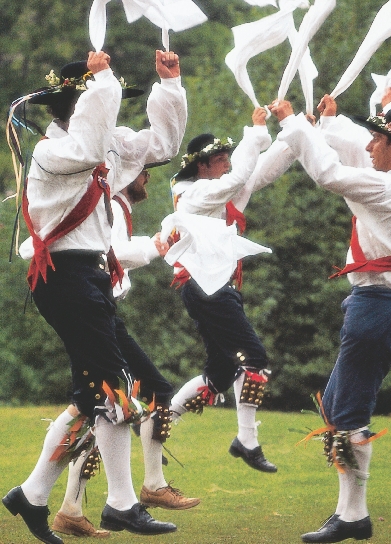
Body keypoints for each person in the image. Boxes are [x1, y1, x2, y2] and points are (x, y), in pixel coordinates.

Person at [2, 48, 187, 544]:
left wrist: (168, 87)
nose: (114, 112)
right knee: (114, 388)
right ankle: (123, 504)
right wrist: (102, 81)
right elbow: (88, 148)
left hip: (85, 279)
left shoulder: (102, 144)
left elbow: (164, 144)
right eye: (104, 100)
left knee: (94, 396)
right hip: (63, 277)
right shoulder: (54, 150)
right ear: (80, 105)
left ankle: (33, 495)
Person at [268, 98, 391, 543]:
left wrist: (290, 122)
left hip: (377, 307)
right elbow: (353, 156)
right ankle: (347, 512)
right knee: (337, 404)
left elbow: (331, 174)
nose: (369, 145)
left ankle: (354, 516)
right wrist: (325, 121)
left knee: (349, 413)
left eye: (378, 139)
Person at [49, 166, 199, 539]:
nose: (147, 176)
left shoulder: (115, 204)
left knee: (98, 406)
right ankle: (146, 488)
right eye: (143, 170)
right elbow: (109, 254)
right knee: (129, 397)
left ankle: (72, 506)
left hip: (103, 312)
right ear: (127, 173)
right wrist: (155, 245)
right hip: (99, 314)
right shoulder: (111, 203)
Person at [162, 108, 278, 473]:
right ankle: (247, 440)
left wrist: (297, 131)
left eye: (227, 156)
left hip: (210, 288)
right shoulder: (196, 195)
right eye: (219, 158)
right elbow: (243, 174)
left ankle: (156, 426)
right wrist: (256, 132)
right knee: (255, 359)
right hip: (207, 287)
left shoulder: (216, 194)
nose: (227, 163)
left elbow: (262, 170)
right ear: (201, 167)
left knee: (220, 374)